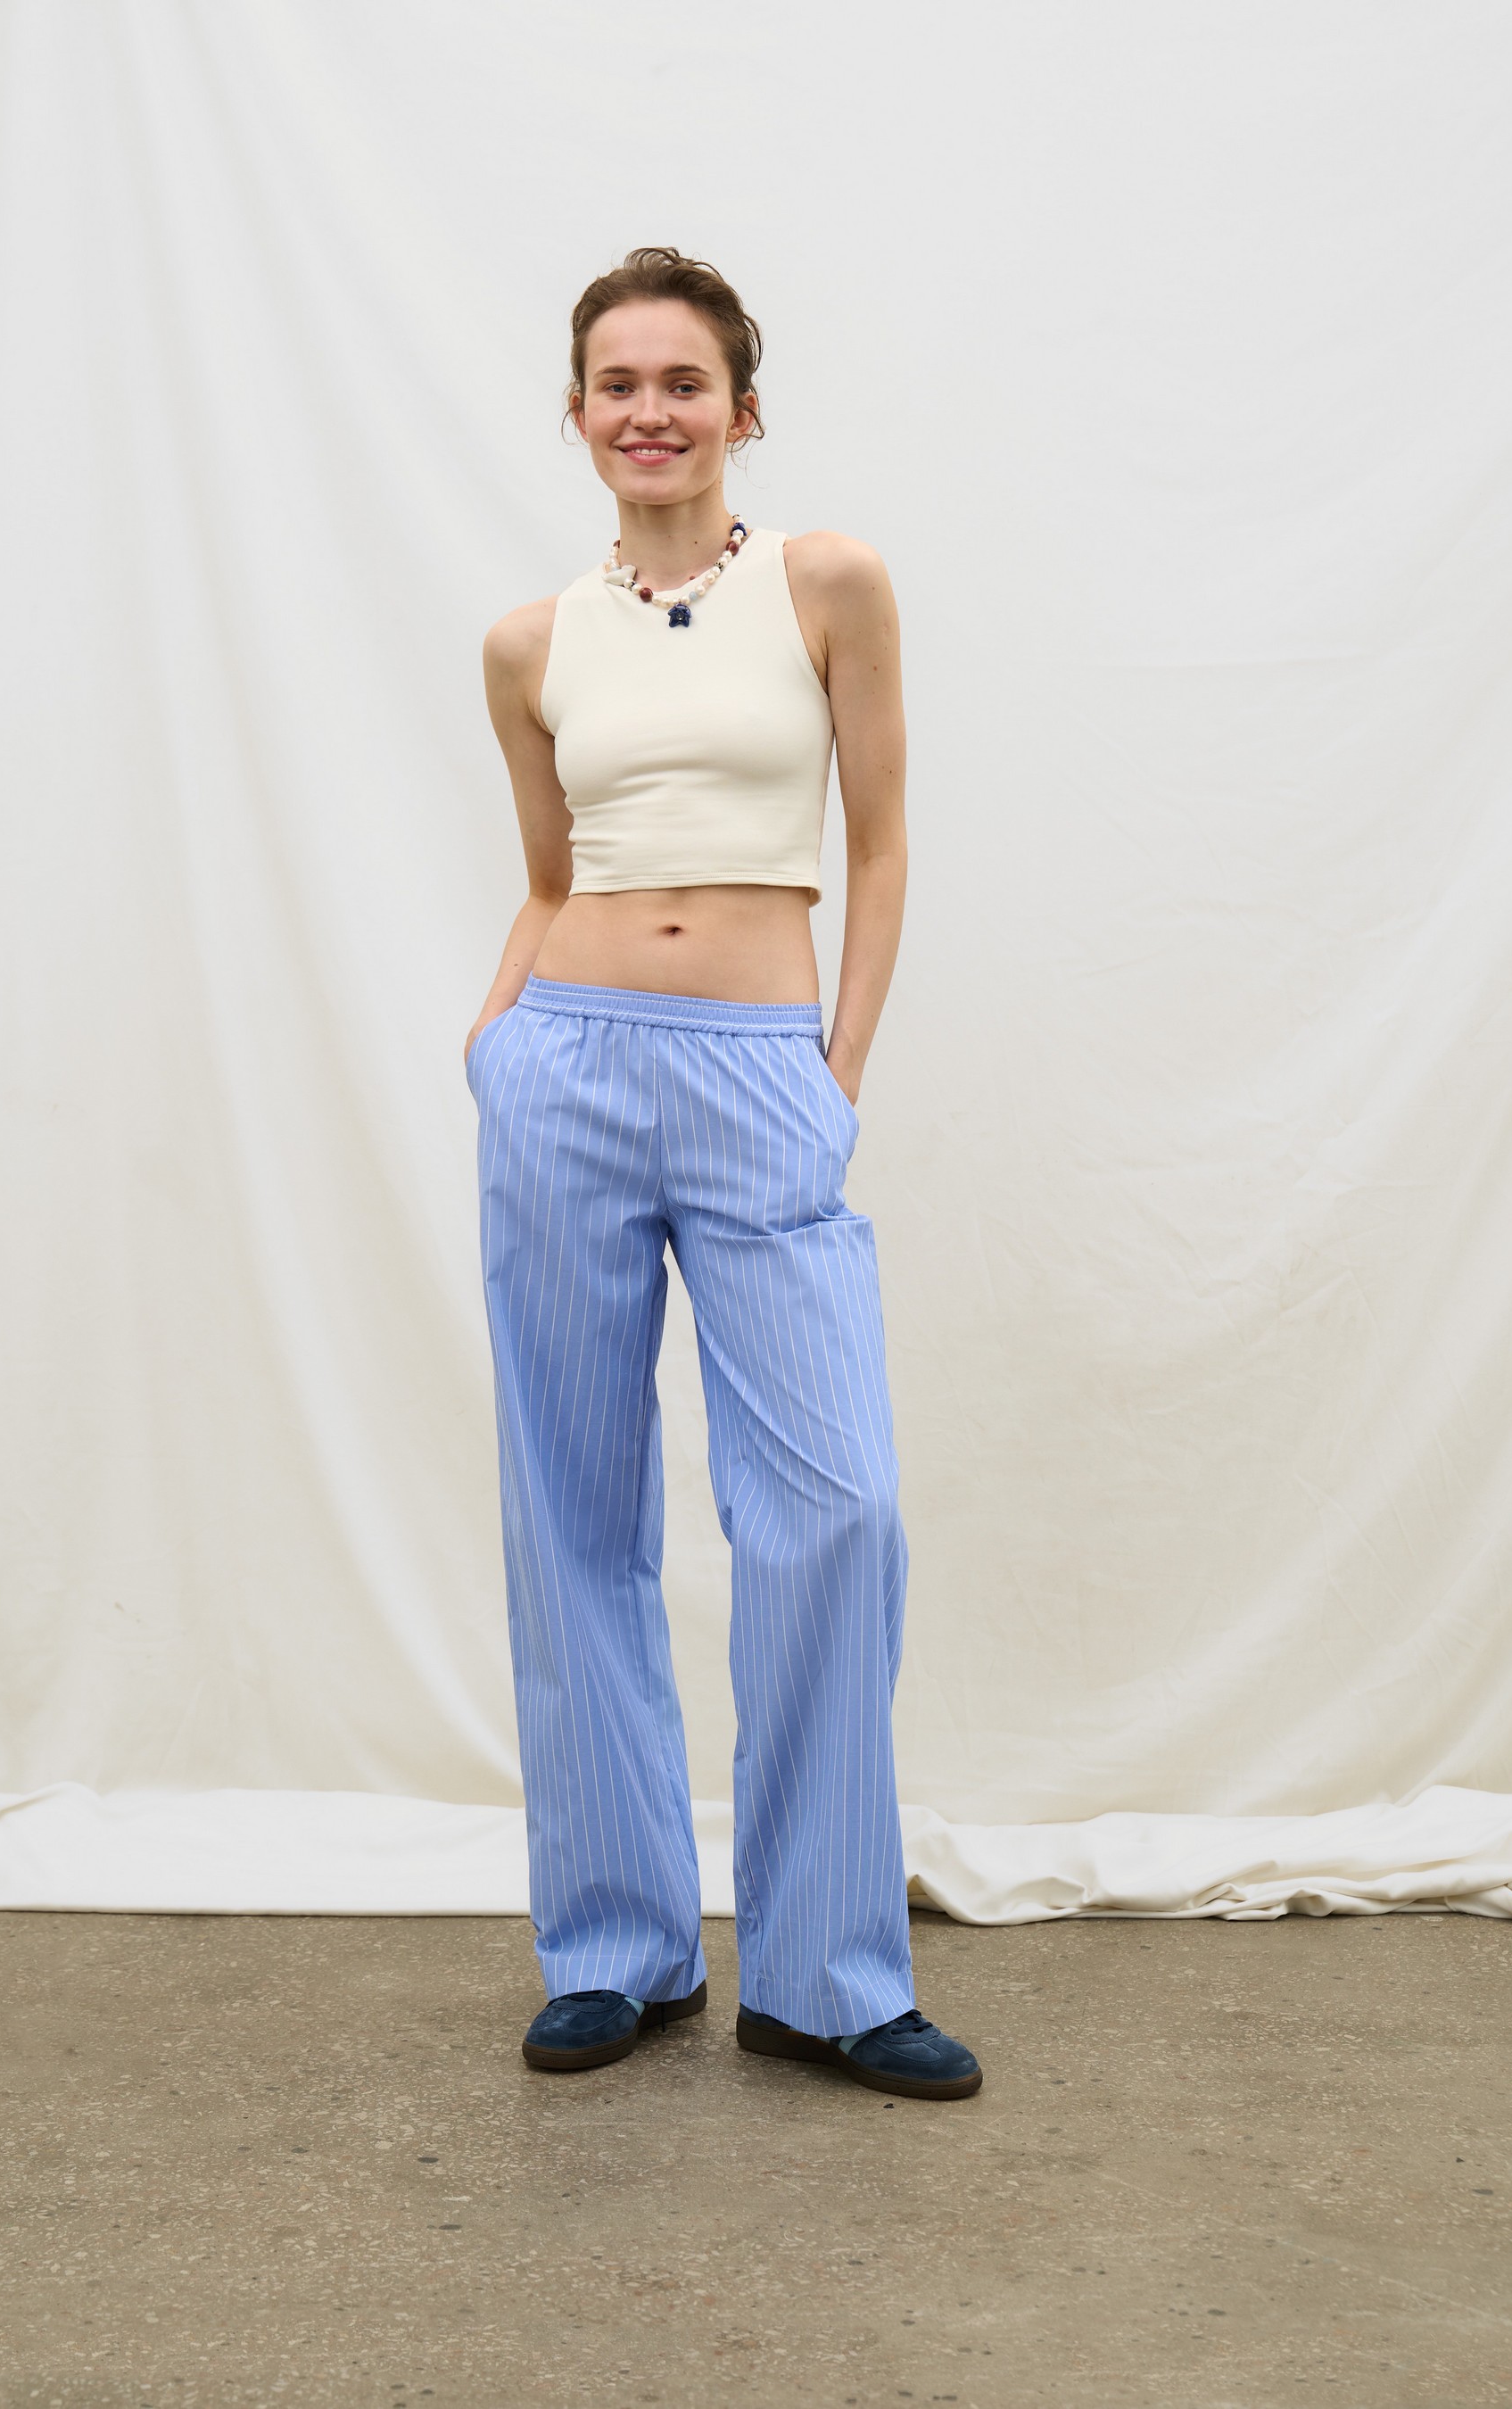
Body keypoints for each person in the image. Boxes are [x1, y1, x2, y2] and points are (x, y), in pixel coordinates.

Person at [464, 247, 981, 2103]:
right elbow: (550, 877)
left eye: (683, 381)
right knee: (573, 1511)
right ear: (579, 413)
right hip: (568, 1072)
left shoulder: (825, 584)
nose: (650, 411)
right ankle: (618, 1943)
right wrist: (495, 1046)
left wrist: (834, 1074)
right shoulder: (531, 644)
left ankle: (827, 1974)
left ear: (740, 409)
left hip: (765, 1077)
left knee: (835, 1510)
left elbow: (883, 843)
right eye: (617, 383)